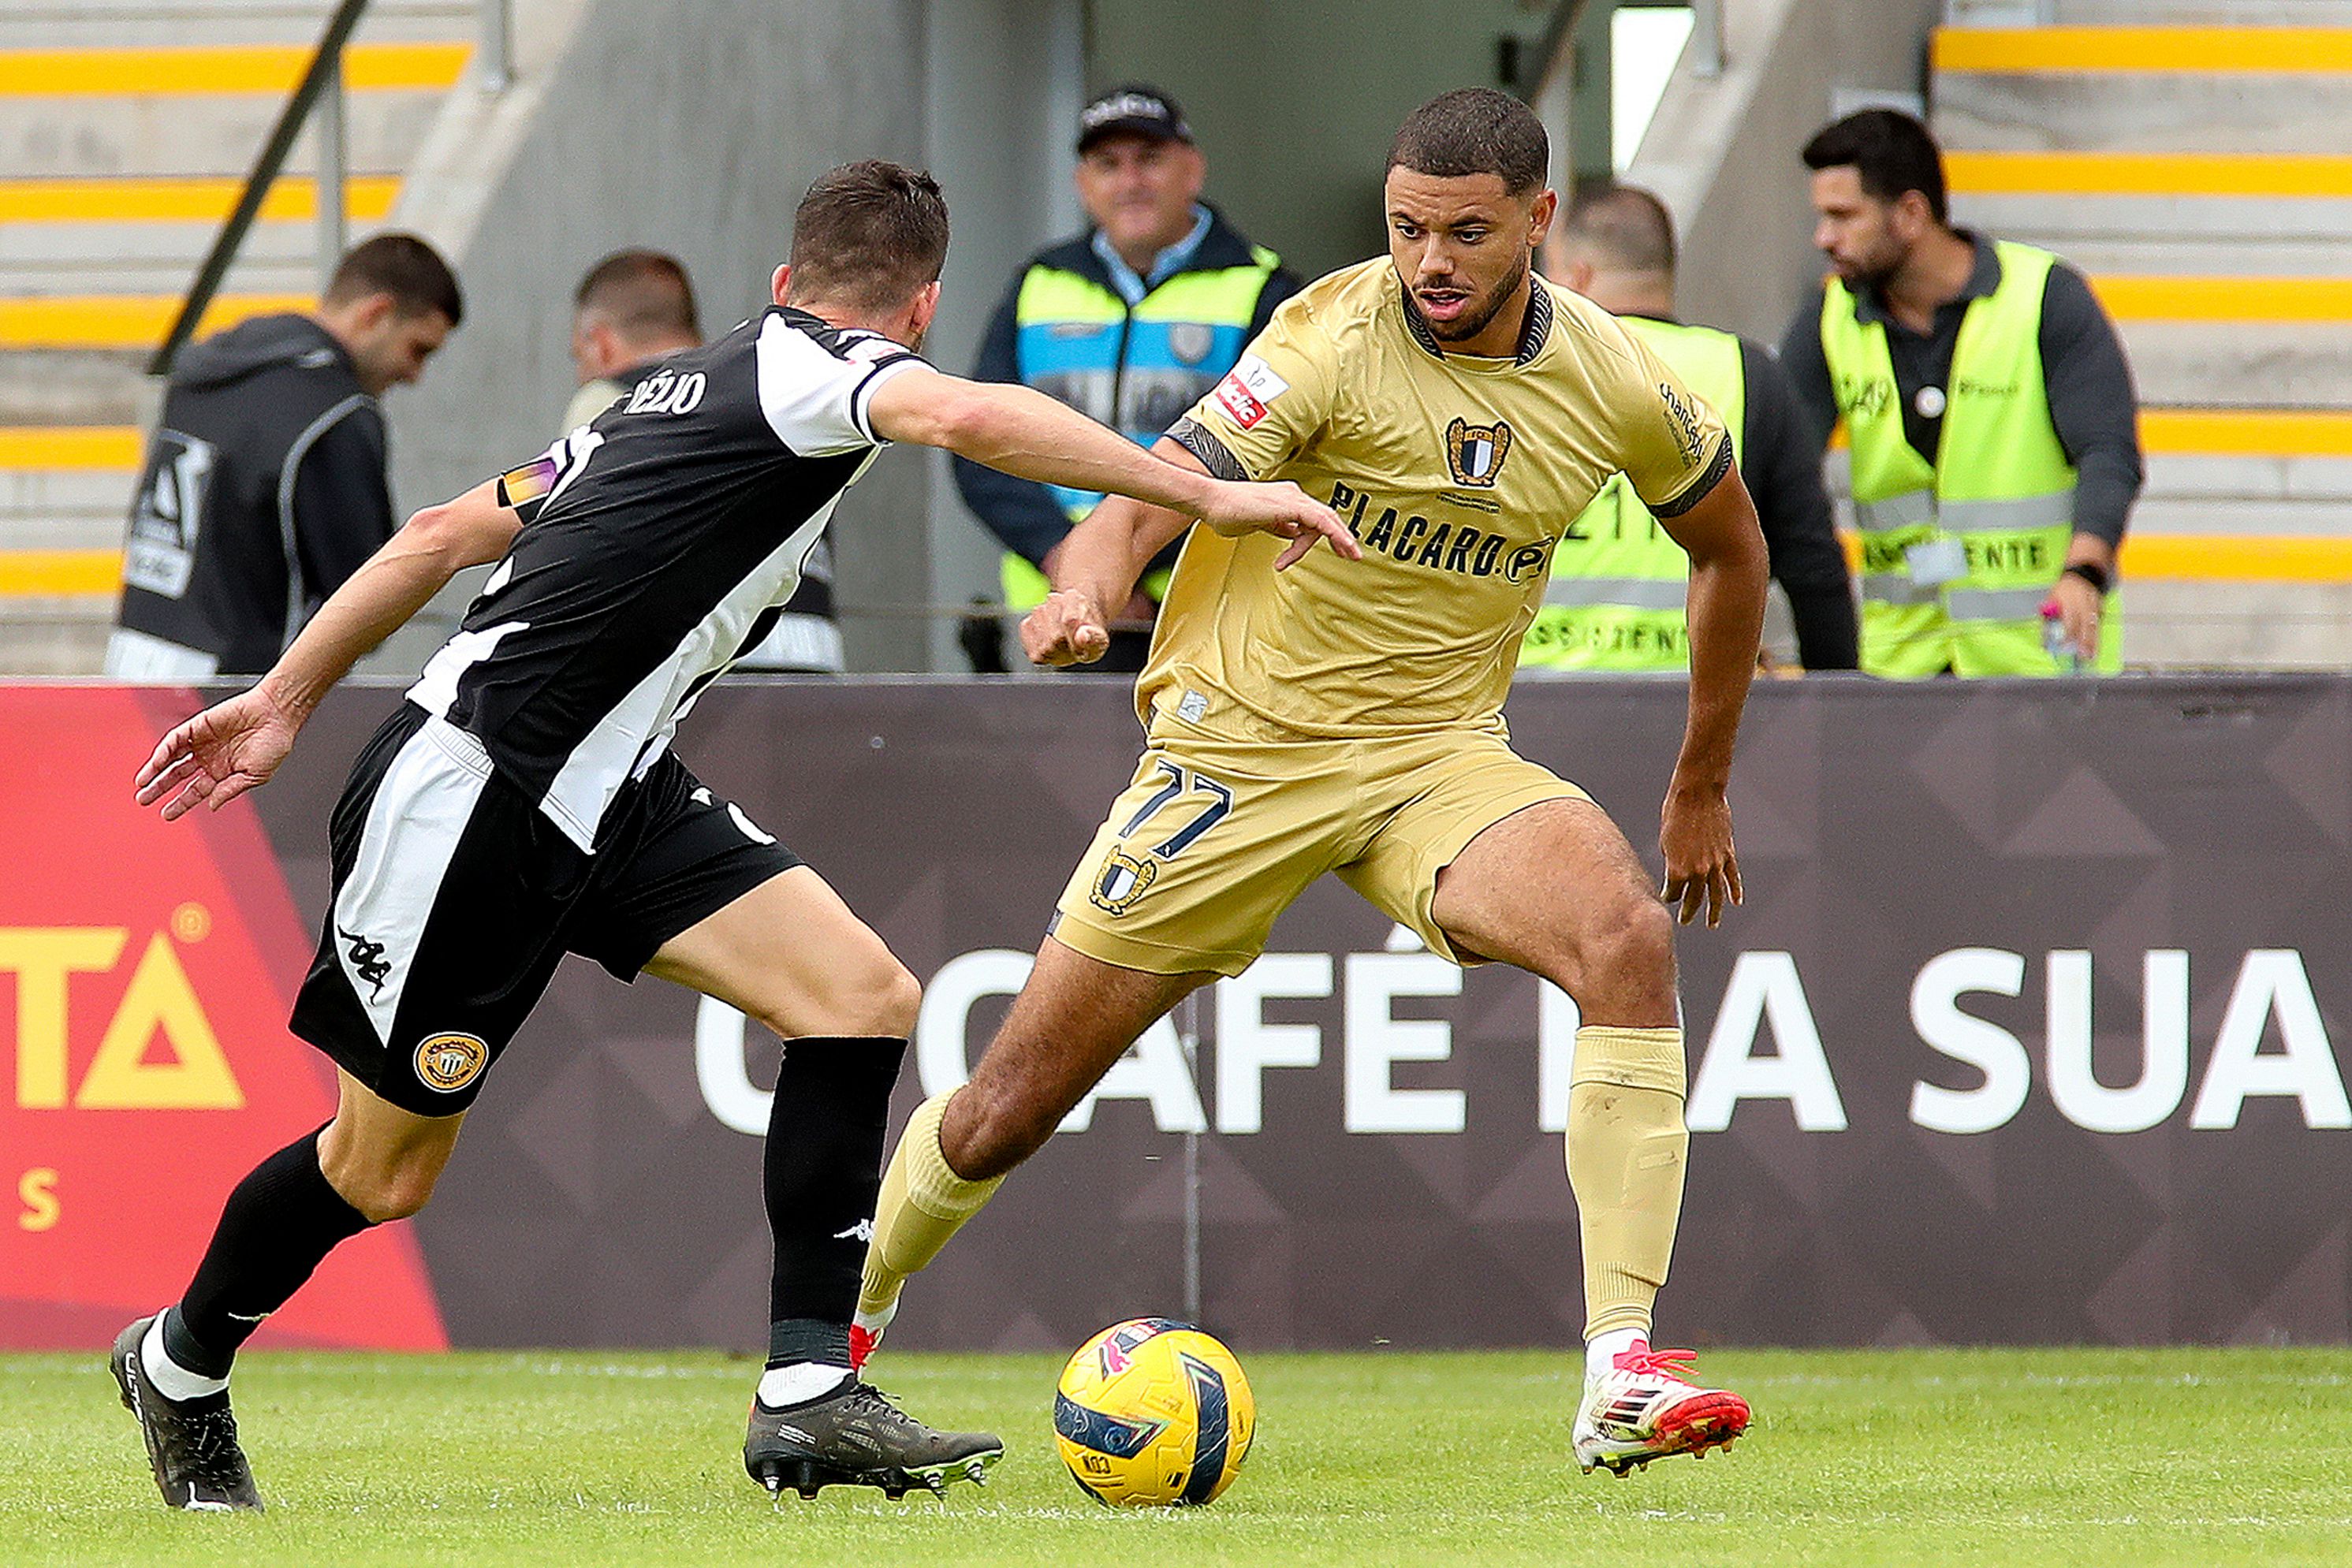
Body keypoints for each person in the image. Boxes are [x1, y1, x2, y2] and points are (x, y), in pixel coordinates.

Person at [110, 159, 1345, 1514]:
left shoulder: (663, 392)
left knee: (860, 993)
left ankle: (807, 1388)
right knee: (381, 1169)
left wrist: (285, 700)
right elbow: (963, 413)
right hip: (476, 789)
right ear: (920, 304)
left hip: (611, 786)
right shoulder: (822, 371)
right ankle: (176, 1362)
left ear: (778, 279)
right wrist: (1212, 496)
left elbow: (436, 533)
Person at [858, 90, 1768, 1478]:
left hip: (1435, 757)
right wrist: (1087, 587)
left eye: (1467, 232)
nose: (1431, 263)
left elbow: (1731, 551)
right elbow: (1156, 484)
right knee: (1000, 1109)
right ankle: (836, 1341)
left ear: (1540, 222)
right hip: (1240, 750)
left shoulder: (1612, 377)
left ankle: (1619, 1368)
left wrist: (1699, 775)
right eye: (1406, 228)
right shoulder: (1323, 338)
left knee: (1624, 936)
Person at [1779, 108, 2142, 677]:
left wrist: (2084, 573)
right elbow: (1778, 476)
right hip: (1899, 666)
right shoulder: (1826, 322)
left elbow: (2109, 453)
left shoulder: (2044, 299)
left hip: (2036, 660)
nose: (1824, 238)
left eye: (1843, 216)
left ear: (1911, 214)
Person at [954, 83, 1300, 670]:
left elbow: (1270, 451)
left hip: (1201, 606)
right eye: (1107, 165)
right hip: (1053, 609)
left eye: (1150, 160)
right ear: (1081, 184)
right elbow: (978, 444)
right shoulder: (1036, 284)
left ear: (1192, 170)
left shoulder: (1265, 289)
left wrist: (1130, 560)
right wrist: (1062, 555)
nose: (1130, 181)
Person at [106, 234, 462, 680]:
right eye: (418, 350)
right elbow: (368, 597)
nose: (414, 375)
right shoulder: (334, 413)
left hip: (132, 656)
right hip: (241, 688)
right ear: (376, 314)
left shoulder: (207, 371)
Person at [1534, 182, 1857, 672]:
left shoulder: (1527, 374)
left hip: (1523, 714)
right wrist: (1836, 716)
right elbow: (1813, 569)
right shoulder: (1748, 375)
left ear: (1578, 276)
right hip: (1691, 712)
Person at [562, 249, 845, 672]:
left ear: (600, 344)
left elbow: (586, 547)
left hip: (703, 664)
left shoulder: (609, 400)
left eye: (578, 356)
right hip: (813, 657)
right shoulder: (773, 387)